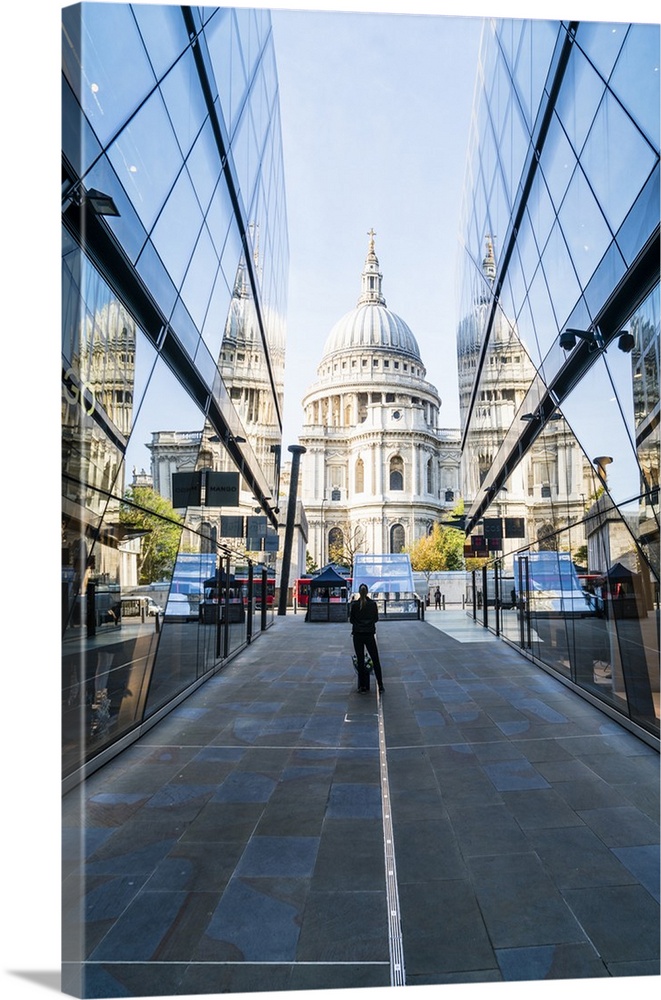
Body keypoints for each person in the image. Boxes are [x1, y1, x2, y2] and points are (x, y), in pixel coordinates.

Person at [349, 584, 384, 694]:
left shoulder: (355, 605)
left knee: (360, 659)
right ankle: (380, 685)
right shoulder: (373, 604)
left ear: (359, 592)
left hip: (358, 634)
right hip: (369, 634)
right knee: (375, 659)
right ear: (367, 592)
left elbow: (351, 620)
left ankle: (362, 686)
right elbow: (376, 619)